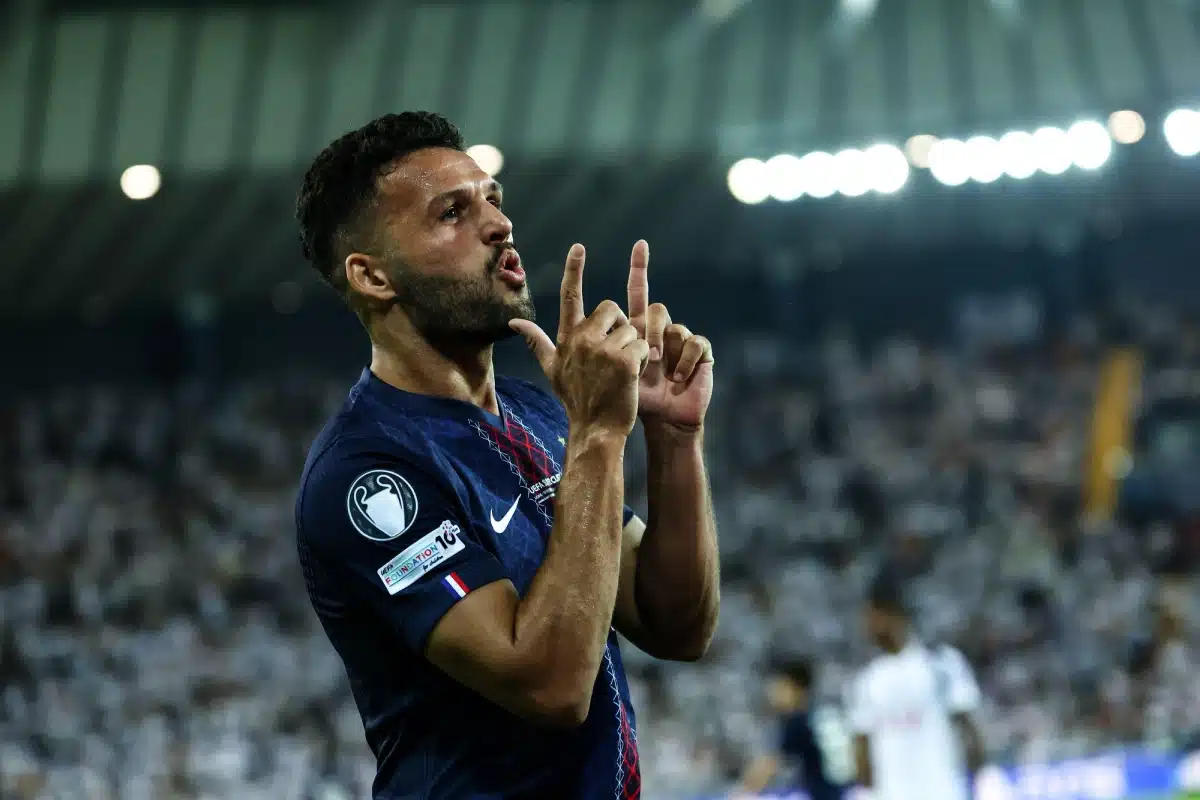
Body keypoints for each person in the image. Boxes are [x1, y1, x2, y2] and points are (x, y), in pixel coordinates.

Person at [292, 111, 721, 799]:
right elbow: (549, 685)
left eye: (493, 199)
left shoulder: (538, 412)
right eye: (452, 213)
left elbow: (677, 623)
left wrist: (672, 438)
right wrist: (600, 435)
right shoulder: (367, 474)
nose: (499, 225)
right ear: (373, 278)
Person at [848, 570, 985, 800]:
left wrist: (975, 785)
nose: (866, 625)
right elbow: (861, 748)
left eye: (871, 616)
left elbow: (969, 729)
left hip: (943, 792)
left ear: (893, 614)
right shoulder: (867, 680)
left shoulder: (941, 663)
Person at [737, 659, 853, 799]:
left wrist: (741, 793)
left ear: (795, 688)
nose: (773, 695)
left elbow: (767, 766)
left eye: (779, 688)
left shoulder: (797, 721)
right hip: (850, 792)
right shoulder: (826, 713)